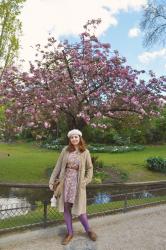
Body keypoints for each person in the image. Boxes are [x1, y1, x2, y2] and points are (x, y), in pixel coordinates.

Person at [49, 129, 97, 245]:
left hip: (78, 183)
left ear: (80, 138)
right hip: (65, 183)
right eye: (72, 137)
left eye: (76, 137)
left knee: (80, 210)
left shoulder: (85, 152)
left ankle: (88, 230)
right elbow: (58, 166)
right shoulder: (65, 150)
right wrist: (51, 181)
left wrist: (86, 180)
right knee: (66, 208)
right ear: (69, 139)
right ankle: (70, 233)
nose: (74, 139)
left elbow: (90, 168)